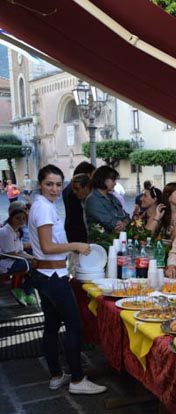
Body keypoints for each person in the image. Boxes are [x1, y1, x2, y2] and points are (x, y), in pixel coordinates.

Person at [29, 164, 107, 395]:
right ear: (40, 185)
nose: (54, 189)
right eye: (48, 184)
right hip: (53, 276)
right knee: (74, 325)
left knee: (52, 326)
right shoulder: (43, 208)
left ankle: (56, 375)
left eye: (57, 184)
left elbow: (43, 246)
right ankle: (77, 379)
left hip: (46, 274)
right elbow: (47, 246)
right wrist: (75, 246)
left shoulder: (42, 205)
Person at [0, 201, 36, 305]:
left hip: (14, 259)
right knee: (35, 265)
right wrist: (32, 259)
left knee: (40, 263)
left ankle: (26, 289)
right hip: (6, 262)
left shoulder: (17, 231)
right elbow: (11, 253)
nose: (21, 221)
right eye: (18, 218)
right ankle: (25, 289)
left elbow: (20, 251)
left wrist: (34, 258)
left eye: (23, 219)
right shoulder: (6, 232)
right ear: (11, 218)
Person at [84, 165, 129, 234]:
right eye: (113, 180)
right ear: (103, 179)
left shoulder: (111, 197)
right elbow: (111, 223)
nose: (115, 183)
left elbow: (125, 215)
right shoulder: (92, 200)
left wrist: (124, 223)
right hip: (102, 242)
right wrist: (124, 223)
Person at [62, 162, 95, 242]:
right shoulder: (75, 191)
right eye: (92, 175)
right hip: (78, 231)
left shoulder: (69, 188)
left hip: (73, 229)